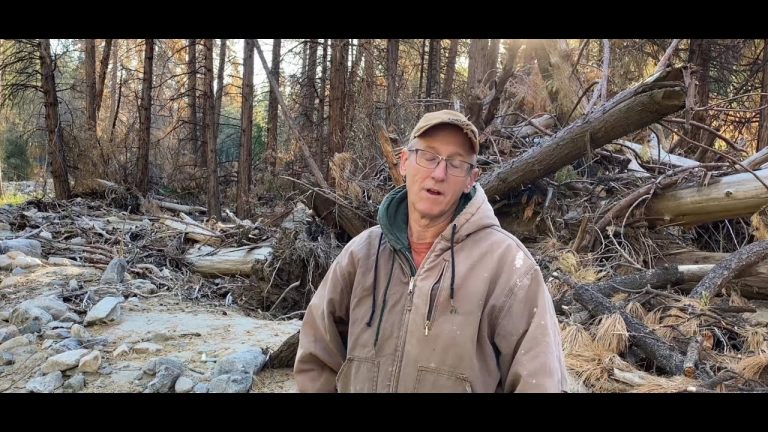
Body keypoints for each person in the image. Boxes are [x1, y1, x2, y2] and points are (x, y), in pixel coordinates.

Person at [294, 109, 567, 392]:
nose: (439, 173)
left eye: (455, 163)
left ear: (471, 179)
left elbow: (540, 380)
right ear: (404, 162)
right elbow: (316, 358)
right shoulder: (361, 255)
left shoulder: (508, 267)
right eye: (428, 156)